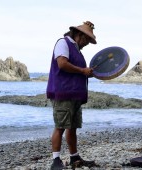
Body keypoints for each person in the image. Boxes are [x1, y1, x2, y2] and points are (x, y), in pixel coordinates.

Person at [46, 21, 97, 169]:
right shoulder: (63, 43)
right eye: (86, 39)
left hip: (75, 95)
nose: (87, 43)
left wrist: (87, 73)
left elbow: (77, 72)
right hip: (63, 93)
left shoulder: (77, 50)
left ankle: (74, 157)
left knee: (72, 127)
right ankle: (55, 161)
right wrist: (82, 71)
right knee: (60, 126)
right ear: (78, 34)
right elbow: (62, 64)